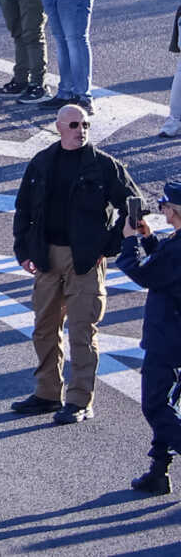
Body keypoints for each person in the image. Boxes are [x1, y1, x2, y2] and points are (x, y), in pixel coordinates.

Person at [12, 102, 140, 425]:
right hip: (47, 258)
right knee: (44, 329)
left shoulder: (104, 166)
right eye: (73, 125)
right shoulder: (42, 163)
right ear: (59, 127)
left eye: (84, 125)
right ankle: (47, 393)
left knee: (82, 332)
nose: (80, 131)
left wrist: (109, 245)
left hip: (84, 260)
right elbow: (24, 209)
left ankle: (80, 400)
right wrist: (24, 251)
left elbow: (136, 206)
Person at [114, 178, 181, 494]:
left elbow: (142, 271)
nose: (162, 213)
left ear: (174, 210)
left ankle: (159, 468)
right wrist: (150, 239)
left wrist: (129, 241)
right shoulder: (176, 244)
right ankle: (158, 470)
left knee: (155, 406)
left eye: (164, 207)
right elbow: (165, 264)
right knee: (169, 404)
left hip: (169, 339)